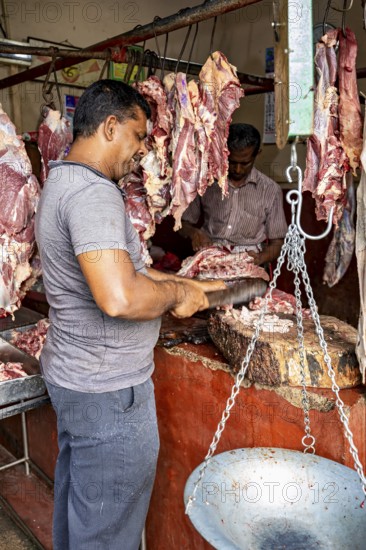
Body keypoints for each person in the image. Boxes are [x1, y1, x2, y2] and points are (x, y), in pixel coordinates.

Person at [35, 79, 224, 550]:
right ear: (110, 125)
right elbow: (119, 297)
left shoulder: (60, 179)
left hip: (78, 380)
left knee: (83, 512)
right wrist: (176, 297)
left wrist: (192, 286)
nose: (141, 150)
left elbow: (129, 272)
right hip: (109, 393)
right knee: (108, 533)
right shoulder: (93, 195)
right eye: (138, 137)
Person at [179, 123, 288, 266]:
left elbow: (278, 243)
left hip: (249, 261)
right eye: (231, 162)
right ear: (224, 153)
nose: (237, 169)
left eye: (245, 163)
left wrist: (260, 258)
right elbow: (183, 224)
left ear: (257, 154)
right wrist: (194, 233)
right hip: (210, 258)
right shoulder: (206, 182)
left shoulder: (270, 190)